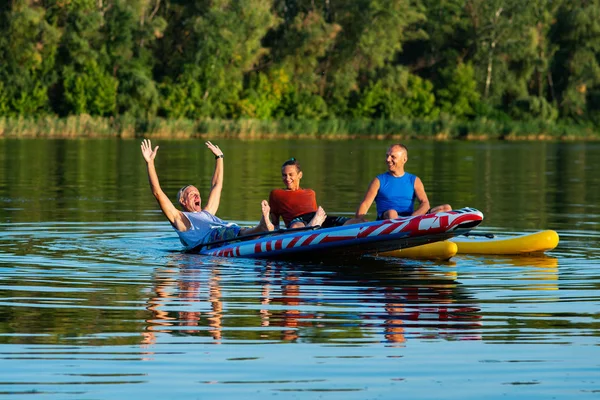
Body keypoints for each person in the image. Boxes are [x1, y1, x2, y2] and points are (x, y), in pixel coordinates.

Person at [140, 139, 274, 249]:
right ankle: (261, 228)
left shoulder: (207, 213)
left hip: (232, 233)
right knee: (229, 231)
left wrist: (219, 157)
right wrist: (150, 163)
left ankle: (263, 230)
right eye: (192, 194)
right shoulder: (180, 219)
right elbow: (157, 192)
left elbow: (216, 185)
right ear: (182, 201)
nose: (197, 196)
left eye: (198, 194)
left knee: (240, 228)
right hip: (214, 240)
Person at [355, 143, 451, 220]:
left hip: (410, 219)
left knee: (446, 208)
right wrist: (360, 220)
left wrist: (412, 218)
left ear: (404, 159)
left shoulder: (414, 180)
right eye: (387, 156)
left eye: (393, 157)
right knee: (392, 213)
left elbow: (425, 204)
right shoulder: (378, 181)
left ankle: (442, 236)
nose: (388, 160)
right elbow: (365, 204)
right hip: (386, 219)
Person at [268, 158, 362, 229]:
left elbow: (315, 213)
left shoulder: (310, 192)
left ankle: (314, 226)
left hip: (315, 218)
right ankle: (312, 227)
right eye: (284, 175)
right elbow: (275, 223)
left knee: (358, 222)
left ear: (300, 175)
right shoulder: (276, 194)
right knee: (295, 227)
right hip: (296, 221)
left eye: (290, 174)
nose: (287, 178)